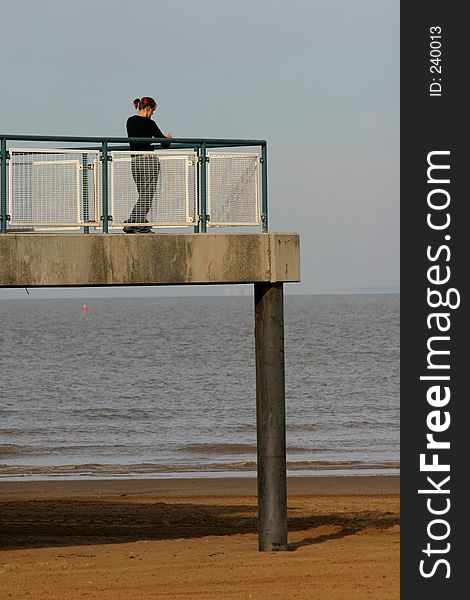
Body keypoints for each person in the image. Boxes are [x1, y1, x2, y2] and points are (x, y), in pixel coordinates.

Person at [123, 96, 173, 233]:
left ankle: (140, 222)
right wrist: (168, 138)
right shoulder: (149, 123)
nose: (152, 115)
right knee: (147, 195)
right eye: (152, 112)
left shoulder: (130, 121)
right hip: (148, 161)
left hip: (134, 162)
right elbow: (163, 142)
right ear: (148, 108)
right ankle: (134, 222)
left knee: (143, 194)